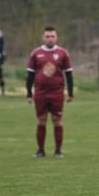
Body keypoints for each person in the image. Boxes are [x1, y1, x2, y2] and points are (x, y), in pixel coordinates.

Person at [26, 26, 73, 158]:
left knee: (57, 120)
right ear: (43, 38)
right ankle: (41, 150)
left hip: (57, 92)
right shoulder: (36, 53)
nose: (50, 39)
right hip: (40, 93)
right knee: (41, 120)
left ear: (56, 37)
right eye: (47, 36)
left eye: (52, 36)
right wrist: (29, 93)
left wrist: (70, 92)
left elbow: (69, 74)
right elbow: (30, 74)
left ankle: (58, 151)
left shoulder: (63, 53)